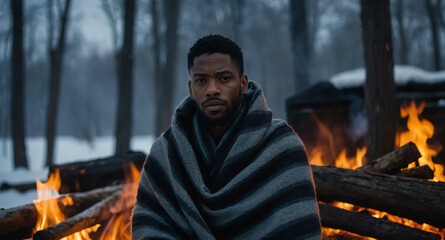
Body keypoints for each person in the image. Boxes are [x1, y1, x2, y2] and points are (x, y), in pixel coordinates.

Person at [132, 35, 321, 239]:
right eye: (201, 80)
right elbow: (149, 228)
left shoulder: (282, 145)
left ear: (243, 84)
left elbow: (300, 231)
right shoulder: (166, 153)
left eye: (224, 78)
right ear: (191, 88)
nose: (212, 90)